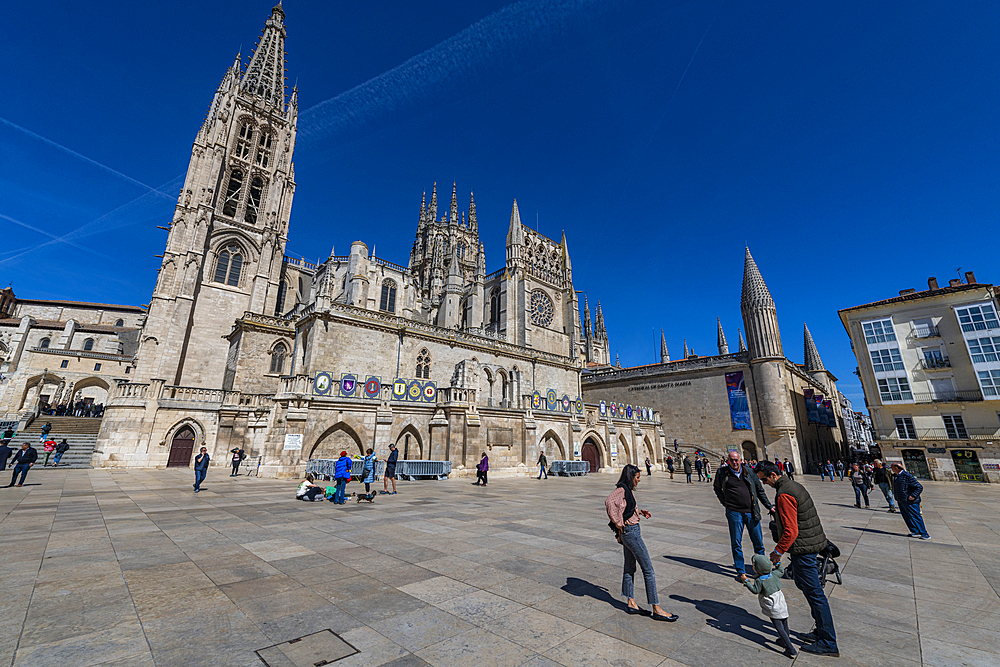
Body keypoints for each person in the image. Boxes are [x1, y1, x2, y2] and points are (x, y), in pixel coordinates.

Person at [757, 460, 839, 657]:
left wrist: (778, 551)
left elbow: (791, 531)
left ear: (773, 475)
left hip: (803, 549)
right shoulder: (793, 485)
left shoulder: (784, 494)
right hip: (810, 544)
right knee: (807, 588)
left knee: (815, 594)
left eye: (764, 479)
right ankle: (821, 631)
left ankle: (828, 641)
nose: (765, 484)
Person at [605, 464, 678, 622]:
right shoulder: (622, 489)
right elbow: (610, 502)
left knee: (629, 567)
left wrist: (639, 511)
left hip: (629, 532)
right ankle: (656, 607)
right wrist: (618, 523)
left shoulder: (626, 490)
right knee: (648, 570)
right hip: (631, 533)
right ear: (631, 477)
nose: (639, 480)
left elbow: (626, 507)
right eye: (637, 477)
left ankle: (631, 602)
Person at [714, 450, 774, 581]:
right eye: (732, 460)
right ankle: (740, 571)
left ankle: (761, 569)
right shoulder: (722, 473)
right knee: (736, 542)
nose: (735, 463)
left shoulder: (749, 472)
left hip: (752, 511)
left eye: (736, 460)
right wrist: (725, 503)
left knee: (758, 542)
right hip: (734, 512)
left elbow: (759, 490)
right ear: (728, 461)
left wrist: (769, 506)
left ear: (740, 460)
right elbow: (717, 488)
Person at [743, 554, 797, 658]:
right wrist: (777, 563)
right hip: (781, 602)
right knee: (785, 623)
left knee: (779, 627)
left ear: (758, 568)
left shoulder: (760, 581)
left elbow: (755, 590)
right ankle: (783, 641)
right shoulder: (774, 574)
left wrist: (746, 582)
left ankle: (790, 648)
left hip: (772, 606)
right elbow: (781, 571)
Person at [891, 463, 930, 539]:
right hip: (901, 499)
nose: (891, 469)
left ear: (896, 468)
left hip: (910, 501)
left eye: (892, 467)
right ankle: (915, 531)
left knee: (915, 516)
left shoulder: (906, 476)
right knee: (907, 516)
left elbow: (919, 487)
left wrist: (913, 496)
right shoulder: (896, 476)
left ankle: (924, 533)